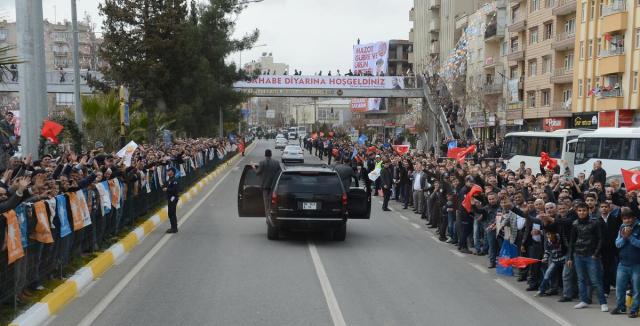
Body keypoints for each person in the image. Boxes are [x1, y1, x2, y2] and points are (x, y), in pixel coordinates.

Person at [568, 202, 607, 311]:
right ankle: (584, 300)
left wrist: (596, 254)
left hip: (591, 256)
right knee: (581, 279)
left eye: (584, 210)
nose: (582, 212)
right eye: (579, 210)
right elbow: (572, 241)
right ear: (576, 211)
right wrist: (570, 257)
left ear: (588, 211)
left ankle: (603, 303)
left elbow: (600, 239)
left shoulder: (595, 222)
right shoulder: (574, 223)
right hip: (578, 255)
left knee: (596, 280)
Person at [611, 207, 640, 317]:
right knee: (620, 288)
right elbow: (617, 244)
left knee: (637, 289)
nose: (626, 221)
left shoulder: (638, 227)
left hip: (637, 264)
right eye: (624, 219)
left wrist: (630, 237)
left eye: (628, 218)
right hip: (622, 264)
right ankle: (621, 307)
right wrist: (624, 238)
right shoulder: (622, 227)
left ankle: (634, 310)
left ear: (633, 218)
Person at [253, 149, 281, 215]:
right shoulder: (276, 163)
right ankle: (273, 215)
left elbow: (257, 172)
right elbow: (279, 172)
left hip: (265, 186)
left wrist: (253, 167)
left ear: (265, 155)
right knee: (273, 202)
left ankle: (267, 216)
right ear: (271, 154)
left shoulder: (261, 163)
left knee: (266, 203)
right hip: (274, 186)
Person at [162, 167, 180, 233]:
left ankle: (174, 228)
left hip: (174, 198)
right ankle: (173, 227)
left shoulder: (175, 180)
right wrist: (164, 187)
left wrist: (167, 189)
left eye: (169, 171)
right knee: (170, 213)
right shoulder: (169, 180)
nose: (167, 172)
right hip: (170, 198)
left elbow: (174, 190)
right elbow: (165, 185)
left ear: (172, 172)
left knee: (172, 213)